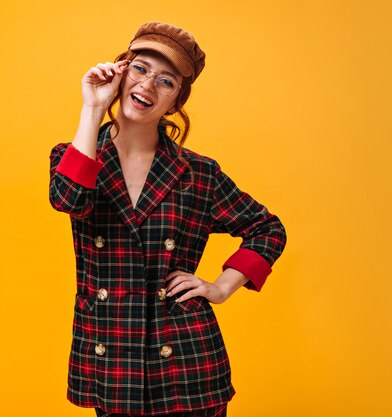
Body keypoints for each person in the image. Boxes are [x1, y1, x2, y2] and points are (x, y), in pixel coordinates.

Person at [48, 21, 286, 417]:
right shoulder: (76, 155)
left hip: (186, 360)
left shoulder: (199, 174)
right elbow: (69, 199)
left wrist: (222, 287)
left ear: (175, 101)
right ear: (121, 72)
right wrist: (92, 107)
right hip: (113, 354)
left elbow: (267, 229)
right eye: (140, 68)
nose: (148, 85)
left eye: (166, 81)